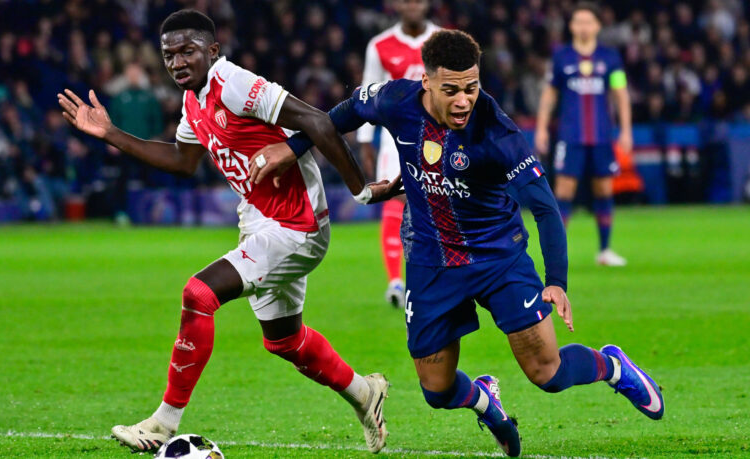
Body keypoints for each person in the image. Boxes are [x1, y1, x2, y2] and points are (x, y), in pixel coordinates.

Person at [251, 29, 664, 457]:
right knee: (436, 389)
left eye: (472, 87)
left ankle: (614, 368)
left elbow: (545, 208)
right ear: (426, 82)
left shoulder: (498, 133)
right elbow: (345, 112)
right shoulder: (396, 100)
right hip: (431, 260)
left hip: (498, 257)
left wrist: (556, 281)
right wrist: (292, 147)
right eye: (451, 90)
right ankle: (486, 401)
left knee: (547, 372)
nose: (464, 100)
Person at [57, 9, 397, 454]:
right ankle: (364, 393)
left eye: (187, 51)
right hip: (259, 218)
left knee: (198, 294)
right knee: (284, 340)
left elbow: (317, 121)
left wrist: (361, 190)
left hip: (298, 224)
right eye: (169, 55)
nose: (177, 62)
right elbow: (183, 161)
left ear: (212, 50)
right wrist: (111, 134)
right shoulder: (193, 101)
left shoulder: (233, 83)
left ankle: (163, 423)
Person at [534, 2, 632, 266]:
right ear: (571, 26)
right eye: (579, 22)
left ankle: (605, 250)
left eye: (589, 22)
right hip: (570, 136)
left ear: (598, 26)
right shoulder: (561, 57)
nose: (584, 27)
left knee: (604, 189)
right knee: (564, 191)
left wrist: (625, 129)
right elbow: (549, 93)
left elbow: (620, 94)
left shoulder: (610, 57)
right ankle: (557, 254)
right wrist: (541, 127)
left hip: (601, 136)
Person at [357, 0, 439, 308]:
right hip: (395, 137)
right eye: (407, 1)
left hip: (439, 134)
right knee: (397, 197)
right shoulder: (380, 45)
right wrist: (366, 141)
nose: (413, 6)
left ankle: (435, 273)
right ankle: (395, 281)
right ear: (398, 6)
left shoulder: (443, 40)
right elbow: (367, 93)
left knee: (436, 201)